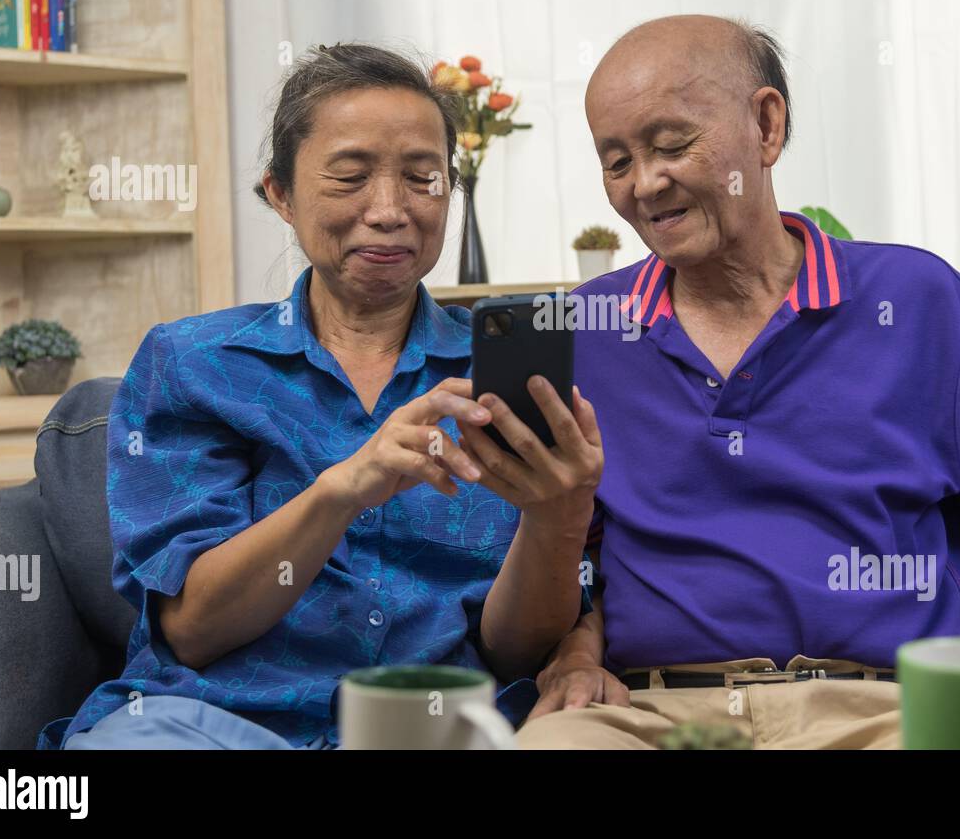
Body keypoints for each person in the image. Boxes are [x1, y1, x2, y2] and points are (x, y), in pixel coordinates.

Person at [501, 15, 960, 749]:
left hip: (889, 713)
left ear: (766, 125)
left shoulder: (919, 301)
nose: (645, 184)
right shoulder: (581, 332)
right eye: (615, 161)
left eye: (671, 145)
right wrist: (575, 644)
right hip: (650, 718)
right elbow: (559, 588)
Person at [38, 43, 601, 749]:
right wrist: (343, 490)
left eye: (423, 178)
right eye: (350, 177)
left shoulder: (500, 373)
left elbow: (514, 653)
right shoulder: (195, 365)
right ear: (280, 192)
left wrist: (557, 518)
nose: (391, 209)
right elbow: (191, 628)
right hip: (218, 726)